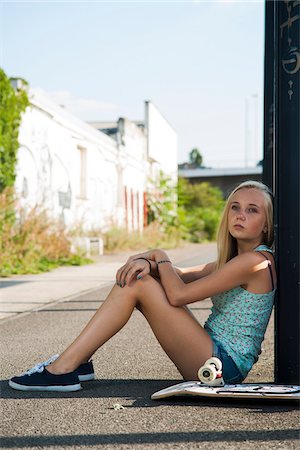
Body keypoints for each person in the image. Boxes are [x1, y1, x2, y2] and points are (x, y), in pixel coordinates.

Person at [9, 180, 276, 392]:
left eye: (252, 210)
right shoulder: (235, 261)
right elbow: (179, 275)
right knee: (141, 279)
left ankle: (64, 368)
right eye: (235, 207)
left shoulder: (255, 262)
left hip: (221, 366)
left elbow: (178, 294)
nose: (240, 215)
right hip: (212, 354)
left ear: (267, 224)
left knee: (139, 284)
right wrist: (149, 265)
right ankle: (76, 364)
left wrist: (158, 255)